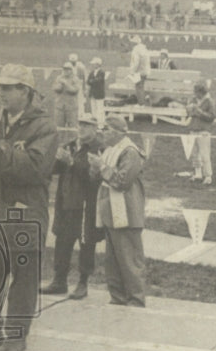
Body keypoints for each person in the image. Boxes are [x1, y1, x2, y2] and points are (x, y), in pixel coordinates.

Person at [0, 63, 59, 351]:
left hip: (27, 212)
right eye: (0, 87)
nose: (1, 92)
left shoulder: (45, 126)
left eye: (8, 88)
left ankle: (17, 336)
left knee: (25, 273)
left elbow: (36, 168)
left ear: (25, 92)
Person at [40, 114, 104, 300]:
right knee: (62, 243)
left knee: (86, 245)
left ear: (95, 129)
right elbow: (53, 170)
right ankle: (59, 281)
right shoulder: (69, 145)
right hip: (65, 204)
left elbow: (93, 179)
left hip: (85, 206)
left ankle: (83, 283)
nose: (82, 128)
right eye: (80, 125)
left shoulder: (99, 149)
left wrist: (71, 162)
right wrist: (56, 160)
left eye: (87, 125)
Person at [88, 115, 146, 307]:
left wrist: (101, 166)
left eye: (106, 130)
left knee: (129, 260)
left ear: (117, 132)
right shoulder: (111, 150)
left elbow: (122, 182)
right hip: (110, 211)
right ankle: (118, 298)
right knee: (113, 261)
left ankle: (136, 300)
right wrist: (94, 168)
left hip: (126, 212)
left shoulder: (130, 152)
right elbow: (99, 178)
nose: (102, 134)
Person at [185, 80, 215, 184]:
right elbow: (187, 113)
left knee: (205, 154)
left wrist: (200, 112)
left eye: (196, 92)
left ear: (201, 92)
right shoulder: (192, 99)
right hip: (193, 129)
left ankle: (208, 176)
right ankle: (198, 173)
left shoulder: (209, 101)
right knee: (194, 154)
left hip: (203, 131)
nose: (195, 94)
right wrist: (189, 110)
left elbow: (211, 117)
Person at [53, 62, 81, 129]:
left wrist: (66, 84)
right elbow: (55, 88)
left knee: (72, 127)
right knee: (58, 127)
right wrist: (60, 84)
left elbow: (74, 90)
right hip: (60, 106)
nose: (66, 71)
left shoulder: (75, 79)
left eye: (68, 69)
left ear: (71, 70)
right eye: (65, 69)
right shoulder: (59, 78)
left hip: (71, 107)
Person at [128, 34, 151, 105]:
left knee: (138, 87)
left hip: (138, 72)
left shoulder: (136, 50)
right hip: (144, 71)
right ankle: (142, 102)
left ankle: (141, 103)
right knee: (141, 87)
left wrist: (132, 71)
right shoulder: (143, 49)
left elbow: (136, 62)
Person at [86, 57, 106, 125]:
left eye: (94, 64)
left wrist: (92, 81)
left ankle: (101, 121)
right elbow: (88, 81)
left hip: (99, 93)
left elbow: (99, 80)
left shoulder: (102, 72)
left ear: (98, 64)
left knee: (100, 108)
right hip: (93, 93)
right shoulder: (92, 72)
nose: (93, 65)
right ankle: (94, 119)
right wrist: (92, 81)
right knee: (93, 107)